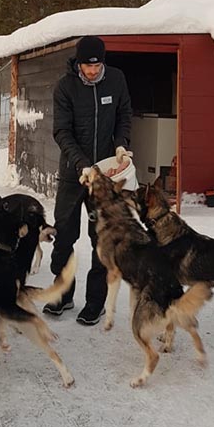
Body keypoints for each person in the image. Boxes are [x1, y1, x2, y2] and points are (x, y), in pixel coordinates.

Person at [44, 35, 132, 325]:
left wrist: (120, 143)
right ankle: (63, 294)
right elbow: (62, 132)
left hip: (105, 178)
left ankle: (96, 302)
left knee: (101, 239)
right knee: (65, 236)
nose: (92, 72)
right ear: (78, 63)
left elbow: (124, 116)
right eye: (87, 67)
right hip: (74, 174)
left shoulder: (117, 80)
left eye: (96, 67)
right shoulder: (65, 86)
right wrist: (83, 164)